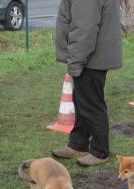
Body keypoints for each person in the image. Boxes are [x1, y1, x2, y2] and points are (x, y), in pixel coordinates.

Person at [52, 0, 122, 167]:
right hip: (90, 56)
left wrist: (76, 61)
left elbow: (85, 29)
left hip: (91, 58)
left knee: (91, 104)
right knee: (82, 101)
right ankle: (78, 144)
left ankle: (100, 151)